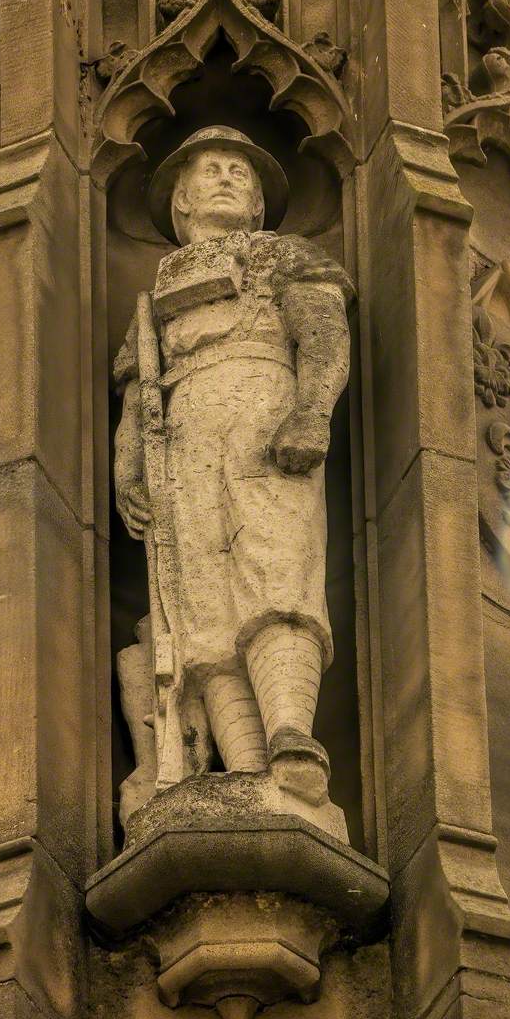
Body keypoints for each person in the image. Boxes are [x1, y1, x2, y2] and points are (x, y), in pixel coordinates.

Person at [114, 126, 353, 786]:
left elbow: (323, 334)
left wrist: (311, 412)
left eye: (240, 174)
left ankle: (290, 734)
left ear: (256, 206)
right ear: (180, 202)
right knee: (200, 615)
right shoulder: (161, 284)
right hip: (185, 439)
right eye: (211, 170)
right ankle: (250, 768)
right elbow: (141, 380)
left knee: (278, 573)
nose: (227, 179)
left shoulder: (281, 255)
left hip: (264, 414)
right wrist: (128, 464)